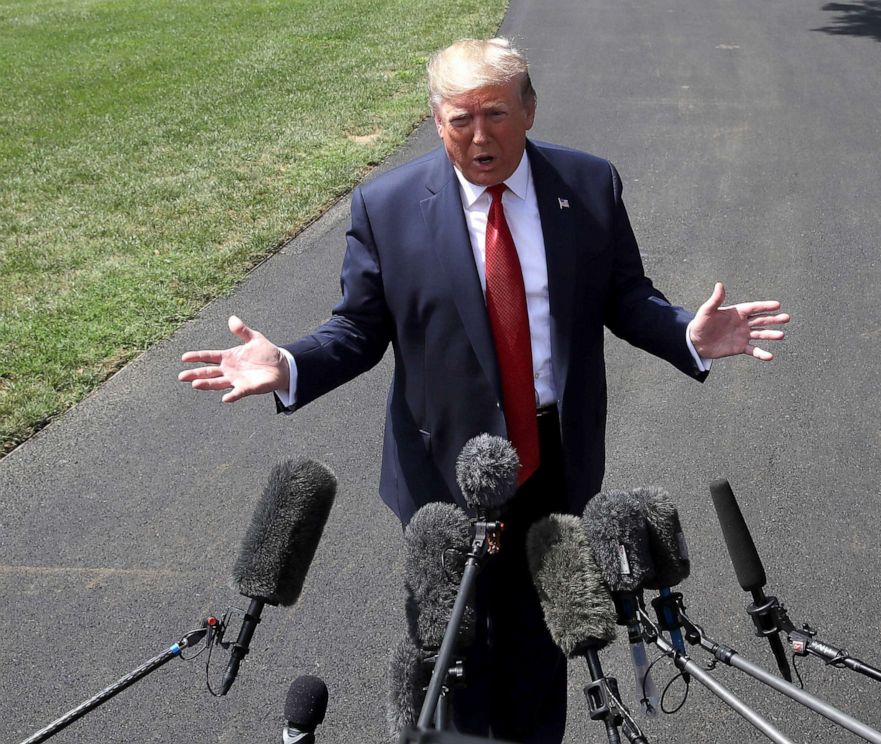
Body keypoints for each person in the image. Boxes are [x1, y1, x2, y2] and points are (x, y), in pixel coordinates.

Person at [179, 38, 789, 743]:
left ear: (528, 108)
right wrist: (288, 364)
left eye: (494, 114)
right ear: (437, 121)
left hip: (552, 462)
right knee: (452, 655)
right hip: (442, 476)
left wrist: (686, 333)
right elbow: (357, 329)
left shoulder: (588, 187)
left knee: (546, 646)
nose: (478, 136)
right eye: (458, 119)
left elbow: (624, 296)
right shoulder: (388, 207)